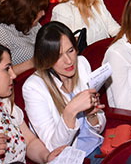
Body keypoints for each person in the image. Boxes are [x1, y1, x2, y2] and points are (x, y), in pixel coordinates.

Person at [23, 21, 107, 157]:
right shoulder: (34, 87)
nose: (68, 61)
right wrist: (70, 111)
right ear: (45, 58)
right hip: (72, 158)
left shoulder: (82, 64)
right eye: (58, 55)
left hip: (99, 149)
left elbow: (99, 128)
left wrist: (92, 115)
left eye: (71, 51)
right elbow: (54, 148)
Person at [0, 0, 49, 75]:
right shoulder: (0, 32)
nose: (43, 14)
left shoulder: (35, 26)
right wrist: (31, 63)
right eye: (40, 10)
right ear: (27, 12)